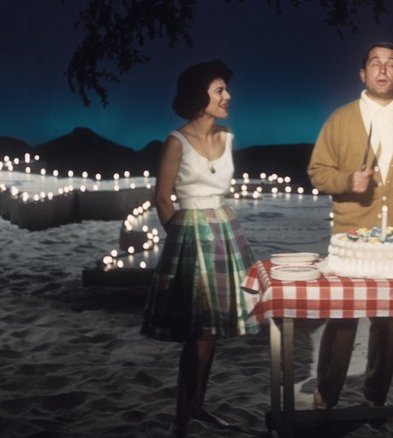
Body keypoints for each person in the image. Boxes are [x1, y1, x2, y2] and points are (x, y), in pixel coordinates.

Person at [307, 42, 393, 410]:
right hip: (353, 236)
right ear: (362, 73)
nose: (383, 69)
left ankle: (376, 397)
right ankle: (327, 394)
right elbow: (317, 170)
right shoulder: (340, 118)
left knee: (388, 323)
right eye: (375, 63)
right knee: (344, 317)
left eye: (391, 63)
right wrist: (348, 182)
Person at [141, 59, 259, 437]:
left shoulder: (227, 138)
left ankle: (198, 406)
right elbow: (162, 199)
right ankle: (181, 417)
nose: (228, 96)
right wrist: (182, 239)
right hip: (191, 233)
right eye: (219, 91)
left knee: (214, 330)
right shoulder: (176, 141)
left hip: (224, 229)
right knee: (199, 332)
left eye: (226, 90)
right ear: (200, 97)